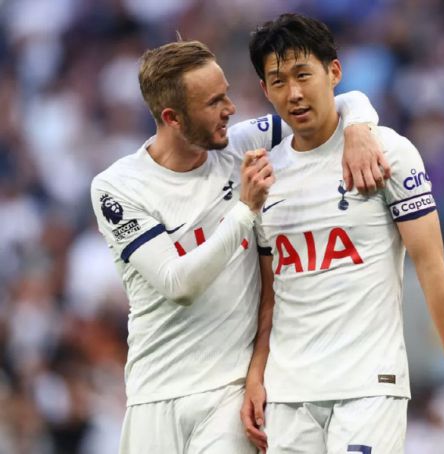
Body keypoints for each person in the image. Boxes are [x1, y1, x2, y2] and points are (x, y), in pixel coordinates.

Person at [90, 38, 385, 453]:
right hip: (152, 393)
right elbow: (178, 284)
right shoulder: (118, 187)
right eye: (214, 102)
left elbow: (338, 102)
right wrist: (245, 210)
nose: (230, 108)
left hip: (228, 397)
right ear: (172, 117)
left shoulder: (243, 143)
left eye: (226, 94)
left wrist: (358, 127)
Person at [242, 13, 444, 453]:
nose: (294, 93)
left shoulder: (389, 154)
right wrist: (256, 375)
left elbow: (432, 267)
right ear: (265, 90)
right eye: (278, 81)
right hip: (289, 396)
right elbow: (271, 294)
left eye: (303, 75)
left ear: (334, 72)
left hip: (368, 387)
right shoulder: (265, 175)